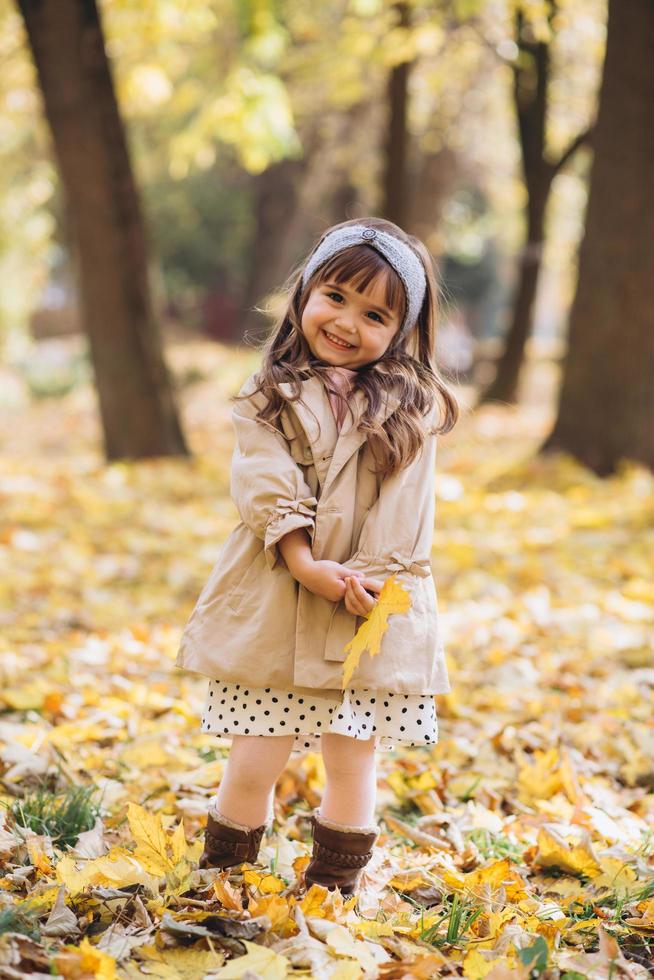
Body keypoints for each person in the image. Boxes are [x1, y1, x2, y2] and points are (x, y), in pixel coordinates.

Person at [175, 217, 459, 895]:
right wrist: (304, 562)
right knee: (254, 756)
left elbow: (405, 515)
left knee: (353, 758)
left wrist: (369, 584)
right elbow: (264, 483)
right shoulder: (265, 397)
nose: (347, 321)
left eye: (374, 313)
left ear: (401, 330)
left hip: (367, 615)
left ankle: (334, 891)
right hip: (279, 596)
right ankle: (226, 881)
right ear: (305, 292)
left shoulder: (408, 410)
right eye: (335, 296)